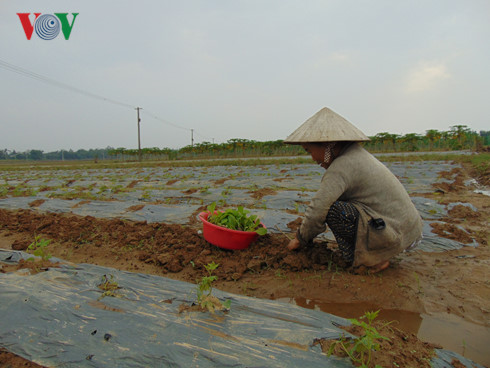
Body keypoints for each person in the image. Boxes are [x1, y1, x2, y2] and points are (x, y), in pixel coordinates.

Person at [284, 107, 423, 273]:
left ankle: (373, 260)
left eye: (309, 150)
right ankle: (378, 253)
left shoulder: (342, 166)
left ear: (327, 145)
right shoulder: (356, 155)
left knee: (334, 211)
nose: (313, 158)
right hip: (407, 230)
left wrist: (300, 239)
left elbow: (318, 208)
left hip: (395, 234)